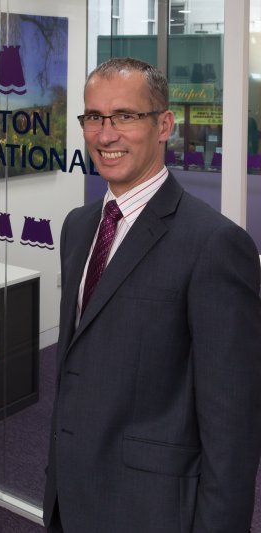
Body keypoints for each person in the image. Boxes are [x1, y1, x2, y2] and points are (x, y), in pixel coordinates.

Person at [44, 57, 261, 532]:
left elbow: (233, 428)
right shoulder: (79, 228)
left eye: (125, 116)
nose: (106, 134)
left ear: (164, 125)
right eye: (94, 118)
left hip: (151, 510)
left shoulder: (214, 245)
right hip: (71, 498)